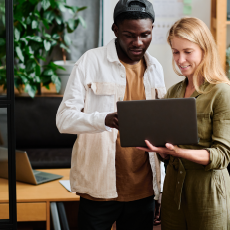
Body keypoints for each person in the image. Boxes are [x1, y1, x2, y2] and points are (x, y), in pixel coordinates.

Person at [55, 0, 167, 229]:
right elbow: (63, 119)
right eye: (129, 35)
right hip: (98, 188)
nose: (138, 42)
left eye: (145, 35)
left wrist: (160, 192)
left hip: (144, 190)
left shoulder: (155, 68)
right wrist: (103, 120)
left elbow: (160, 131)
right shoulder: (90, 61)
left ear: (152, 29)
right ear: (115, 29)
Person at [137, 17, 230, 230]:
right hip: (174, 191)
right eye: (175, 52)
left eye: (188, 51)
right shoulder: (173, 92)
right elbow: (167, 148)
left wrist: (178, 151)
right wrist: (161, 150)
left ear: (204, 49)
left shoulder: (223, 93)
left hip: (207, 191)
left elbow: (222, 156)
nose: (180, 59)